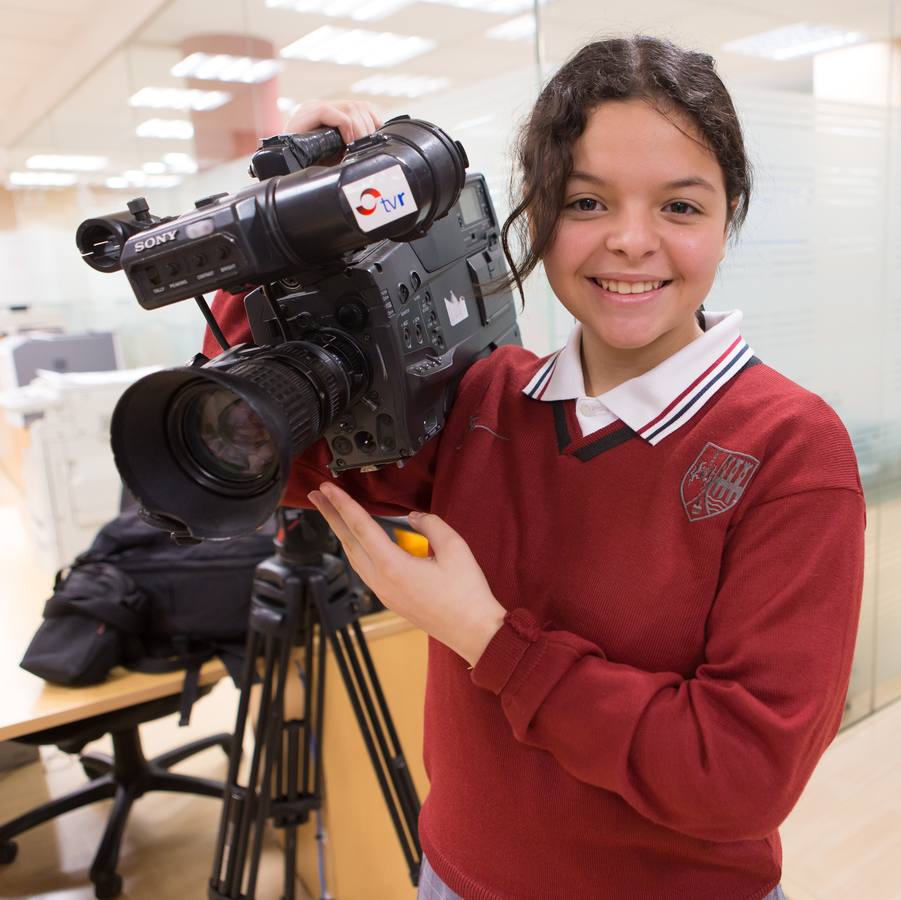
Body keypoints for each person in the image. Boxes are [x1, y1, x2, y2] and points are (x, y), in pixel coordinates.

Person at [204, 36, 864, 900]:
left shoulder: (788, 448)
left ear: (729, 215)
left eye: (680, 207)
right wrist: (284, 220)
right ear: (537, 211)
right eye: (586, 201)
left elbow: (738, 777)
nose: (631, 242)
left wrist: (486, 637)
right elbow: (272, 459)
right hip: (453, 877)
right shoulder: (483, 398)